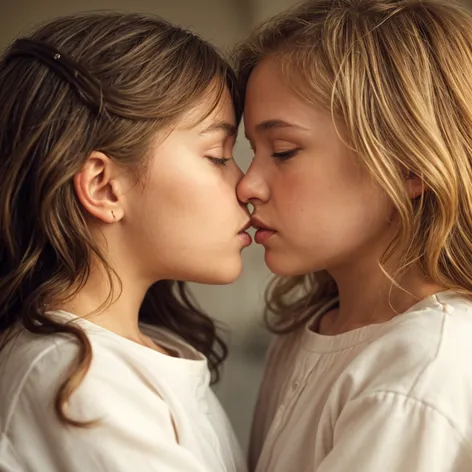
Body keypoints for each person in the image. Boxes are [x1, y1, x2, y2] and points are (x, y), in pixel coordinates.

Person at [0, 12, 250, 472]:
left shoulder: (143, 349)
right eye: (218, 157)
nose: (249, 186)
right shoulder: (74, 377)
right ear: (103, 187)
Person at [235, 0, 472, 470]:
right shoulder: (308, 332)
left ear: (409, 165)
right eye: (251, 150)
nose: (246, 184)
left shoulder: (422, 368)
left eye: (282, 151)